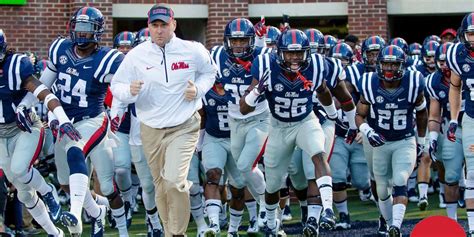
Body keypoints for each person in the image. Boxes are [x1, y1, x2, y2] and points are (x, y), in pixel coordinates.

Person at [110, 4, 217, 236]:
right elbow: (116, 87)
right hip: (150, 129)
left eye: (164, 25)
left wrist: (198, 89)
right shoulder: (136, 55)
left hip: (184, 126)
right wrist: (130, 91)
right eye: (154, 25)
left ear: (174, 25)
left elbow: (210, 73)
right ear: (148, 27)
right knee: (160, 187)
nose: (159, 30)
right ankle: (170, 231)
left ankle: (177, 233)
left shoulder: (193, 50)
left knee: (174, 182)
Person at [33, 6, 126, 236]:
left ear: (97, 32)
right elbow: (44, 86)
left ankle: (75, 214)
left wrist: (118, 113)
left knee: (77, 152)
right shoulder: (60, 49)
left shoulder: (108, 59)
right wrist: (47, 114)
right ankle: (96, 213)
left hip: (92, 119)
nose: (82, 33)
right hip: (64, 120)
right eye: (78, 27)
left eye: (87, 28)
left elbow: (123, 91)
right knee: (66, 182)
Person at [241, 29, 338, 236]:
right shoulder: (266, 65)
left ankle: (328, 210)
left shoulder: (318, 65)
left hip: (305, 120)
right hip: (278, 126)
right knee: (274, 183)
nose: (295, 58)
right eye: (290, 53)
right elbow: (244, 108)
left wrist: (332, 114)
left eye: (299, 53)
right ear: (280, 53)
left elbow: (323, 91)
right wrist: (258, 90)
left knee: (318, 154)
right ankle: (269, 221)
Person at [0, 29, 84, 237]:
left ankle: (48, 192)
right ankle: (54, 233)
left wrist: (62, 118)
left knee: (20, 169)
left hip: (24, 127)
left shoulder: (15, 66)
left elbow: (44, 93)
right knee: (24, 194)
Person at [356, 45, 427, 236]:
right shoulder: (369, 83)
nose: (389, 69)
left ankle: (396, 225)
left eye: (394, 65)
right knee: (381, 188)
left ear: (402, 66)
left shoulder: (413, 83)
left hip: (404, 140)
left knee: (400, 179)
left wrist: (421, 141)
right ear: (379, 64)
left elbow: (422, 113)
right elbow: (359, 115)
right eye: (386, 64)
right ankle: (389, 226)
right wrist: (367, 131)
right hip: (380, 142)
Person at [447, 12, 474, 236]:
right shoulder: (457, 54)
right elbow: (455, 87)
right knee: (473, 173)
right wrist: (455, 118)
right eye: (472, 34)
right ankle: (473, 228)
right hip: (472, 119)